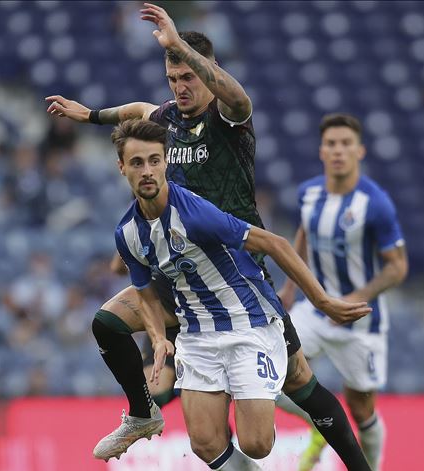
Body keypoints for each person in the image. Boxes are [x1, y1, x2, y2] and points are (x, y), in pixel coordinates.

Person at [46, 4, 371, 468]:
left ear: (207, 72)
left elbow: (237, 97)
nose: (180, 86)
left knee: (299, 379)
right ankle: (142, 414)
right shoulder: (164, 118)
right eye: (172, 77)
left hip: (238, 267)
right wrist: (91, 115)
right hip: (179, 270)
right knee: (109, 323)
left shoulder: (228, 117)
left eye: (188, 77)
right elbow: (138, 110)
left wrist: (178, 44)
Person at [110, 119, 372, 469]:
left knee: (258, 442)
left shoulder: (195, 212)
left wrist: (322, 301)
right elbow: (142, 291)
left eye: (154, 161)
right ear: (121, 167)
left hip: (246, 319)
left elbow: (274, 243)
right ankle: (145, 412)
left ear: (166, 162)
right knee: (204, 443)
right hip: (196, 330)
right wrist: (158, 338)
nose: (147, 170)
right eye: (138, 162)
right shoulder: (127, 231)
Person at [277, 114, 409, 471]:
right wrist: (291, 287)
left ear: (359, 151)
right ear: (322, 151)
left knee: (361, 407)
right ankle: (319, 421)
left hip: (359, 322)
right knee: (269, 368)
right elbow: (304, 233)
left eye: (345, 144)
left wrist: (352, 300)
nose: (338, 151)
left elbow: (398, 266)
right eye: (331, 144)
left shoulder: (375, 203)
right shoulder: (309, 193)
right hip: (314, 312)